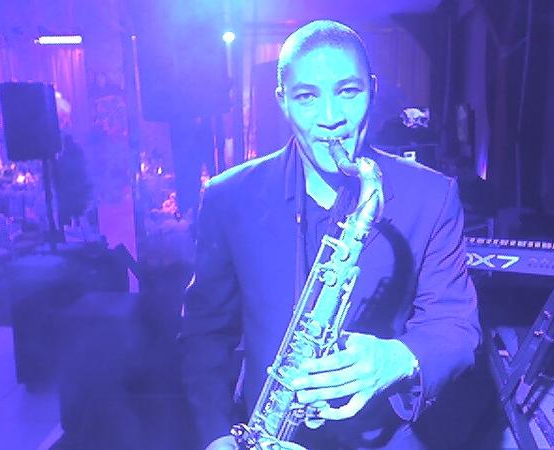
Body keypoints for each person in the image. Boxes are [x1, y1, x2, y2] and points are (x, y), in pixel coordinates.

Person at [179, 20, 480, 450]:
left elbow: (456, 326)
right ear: (282, 101)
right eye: (307, 96)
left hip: (385, 439)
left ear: (372, 89)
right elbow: (204, 334)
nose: (330, 119)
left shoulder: (432, 196)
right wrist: (215, 435)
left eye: (348, 92)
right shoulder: (229, 198)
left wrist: (397, 359)